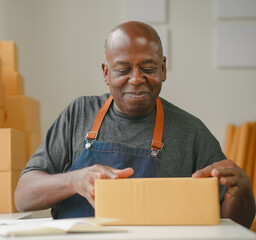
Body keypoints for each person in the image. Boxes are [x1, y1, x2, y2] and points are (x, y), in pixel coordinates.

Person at [14, 21, 255, 228]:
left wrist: (242, 192)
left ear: (163, 68)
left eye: (148, 68)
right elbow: (23, 196)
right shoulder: (78, 114)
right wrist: (75, 180)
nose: (137, 79)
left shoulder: (190, 132)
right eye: (123, 69)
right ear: (106, 73)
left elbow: (234, 226)